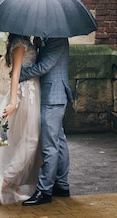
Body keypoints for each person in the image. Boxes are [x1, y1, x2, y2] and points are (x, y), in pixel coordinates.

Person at [0, 34, 42, 204]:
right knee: (31, 140)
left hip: (29, 91)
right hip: (27, 94)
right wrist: (13, 102)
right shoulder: (20, 45)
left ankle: (13, 184)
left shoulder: (25, 42)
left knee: (18, 139)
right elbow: (16, 73)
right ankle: (5, 180)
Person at [19, 37, 73, 206]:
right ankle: (61, 185)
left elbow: (44, 66)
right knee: (59, 141)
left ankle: (44, 190)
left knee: (49, 145)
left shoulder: (58, 40)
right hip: (52, 95)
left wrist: (19, 74)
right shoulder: (48, 39)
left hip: (53, 96)